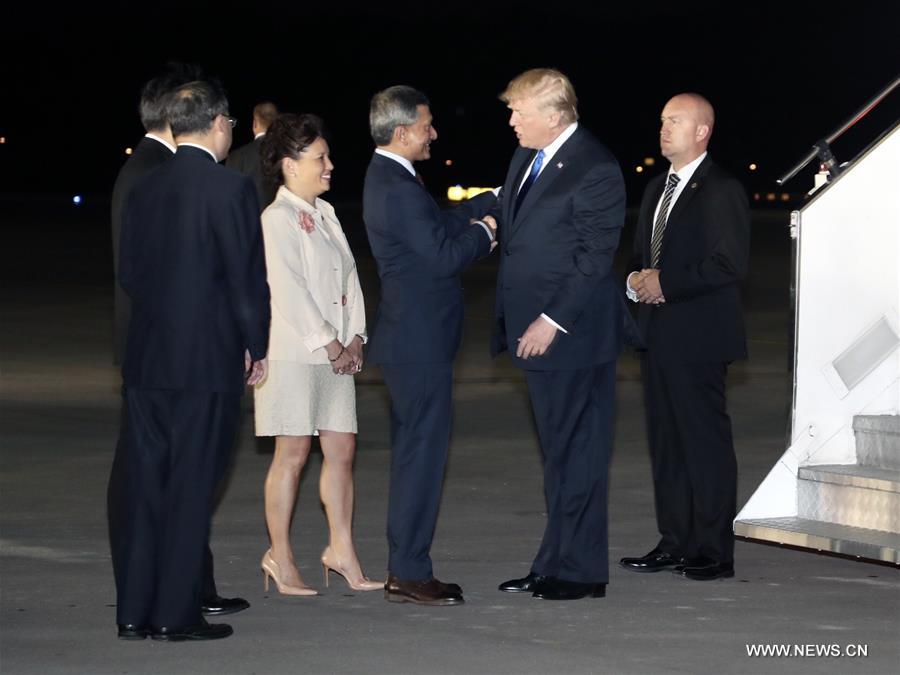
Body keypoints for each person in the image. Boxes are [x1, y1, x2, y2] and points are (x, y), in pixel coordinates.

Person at [110, 78, 270, 641]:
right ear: (220, 123)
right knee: (192, 485)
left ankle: (133, 612)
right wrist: (257, 345)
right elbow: (247, 281)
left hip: (147, 361)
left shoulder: (144, 188)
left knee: (147, 486)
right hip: (205, 364)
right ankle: (177, 615)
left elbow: (129, 275)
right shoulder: (229, 192)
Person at [492, 68, 626, 601]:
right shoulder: (529, 156)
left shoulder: (595, 168)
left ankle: (582, 571)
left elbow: (595, 258)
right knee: (559, 456)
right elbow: (513, 220)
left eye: (518, 111)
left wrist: (552, 320)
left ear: (554, 116)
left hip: (572, 337)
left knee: (579, 455)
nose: (511, 120)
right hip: (535, 335)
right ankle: (552, 563)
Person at [363, 85, 497, 606]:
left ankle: (407, 565)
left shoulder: (394, 178)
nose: (433, 133)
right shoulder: (395, 186)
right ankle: (409, 570)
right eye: (426, 124)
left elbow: (436, 224)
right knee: (421, 459)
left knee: (416, 456)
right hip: (417, 345)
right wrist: (485, 234)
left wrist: (490, 201)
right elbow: (442, 256)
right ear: (401, 132)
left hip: (413, 343)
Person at [619, 93, 749, 581]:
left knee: (704, 445)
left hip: (699, 339)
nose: (663, 127)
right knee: (668, 445)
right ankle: (674, 542)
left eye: (675, 120)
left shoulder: (721, 189)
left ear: (702, 131)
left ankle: (715, 551)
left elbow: (728, 263)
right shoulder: (657, 187)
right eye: (661, 119)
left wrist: (665, 283)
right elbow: (639, 254)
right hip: (656, 336)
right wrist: (634, 280)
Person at [253, 113, 381, 595]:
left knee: (342, 449)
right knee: (293, 452)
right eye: (320, 158)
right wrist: (328, 340)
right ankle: (279, 556)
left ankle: (341, 550)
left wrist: (356, 339)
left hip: (335, 353)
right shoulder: (277, 218)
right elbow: (287, 288)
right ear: (289, 165)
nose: (329, 165)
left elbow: (350, 279)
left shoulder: (326, 214)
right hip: (292, 353)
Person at [226, 101, 279, 211]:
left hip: (250, 224)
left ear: (255, 124)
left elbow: (230, 199)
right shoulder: (289, 153)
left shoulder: (237, 156)